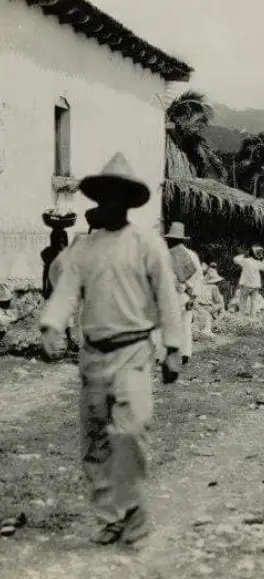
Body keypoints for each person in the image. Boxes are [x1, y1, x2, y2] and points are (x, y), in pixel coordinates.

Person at [39, 152, 182, 545]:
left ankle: (133, 506)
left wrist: (173, 348)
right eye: (107, 195)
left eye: (121, 195)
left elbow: (167, 297)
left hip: (134, 351)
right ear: (99, 198)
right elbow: (64, 288)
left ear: (129, 201)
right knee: (96, 439)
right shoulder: (85, 248)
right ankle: (109, 517)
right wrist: (52, 325)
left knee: (131, 430)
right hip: (93, 355)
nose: (113, 202)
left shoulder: (147, 245)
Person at [164, 222, 202, 365]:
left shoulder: (167, 255)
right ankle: (185, 355)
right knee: (185, 326)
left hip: (173, 295)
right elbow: (199, 278)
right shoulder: (192, 255)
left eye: (169, 239)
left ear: (171, 239)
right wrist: (194, 297)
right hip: (187, 295)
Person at [234, 245, 264, 317]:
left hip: (246, 285)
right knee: (254, 302)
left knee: (243, 301)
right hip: (255, 285)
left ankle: (242, 317)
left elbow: (235, 259)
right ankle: (252, 317)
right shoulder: (257, 263)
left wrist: (244, 255)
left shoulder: (245, 261)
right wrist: (262, 257)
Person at [195, 267, 225, 339]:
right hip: (206, 308)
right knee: (221, 304)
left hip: (197, 306)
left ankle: (199, 331)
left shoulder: (198, 284)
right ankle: (215, 322)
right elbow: (218, 301)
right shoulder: (214, 287)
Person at [41, 229, 69, 299]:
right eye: (60, 241)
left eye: (62, 241)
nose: (61, 243)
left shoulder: (66, 252)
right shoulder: (50, 252)